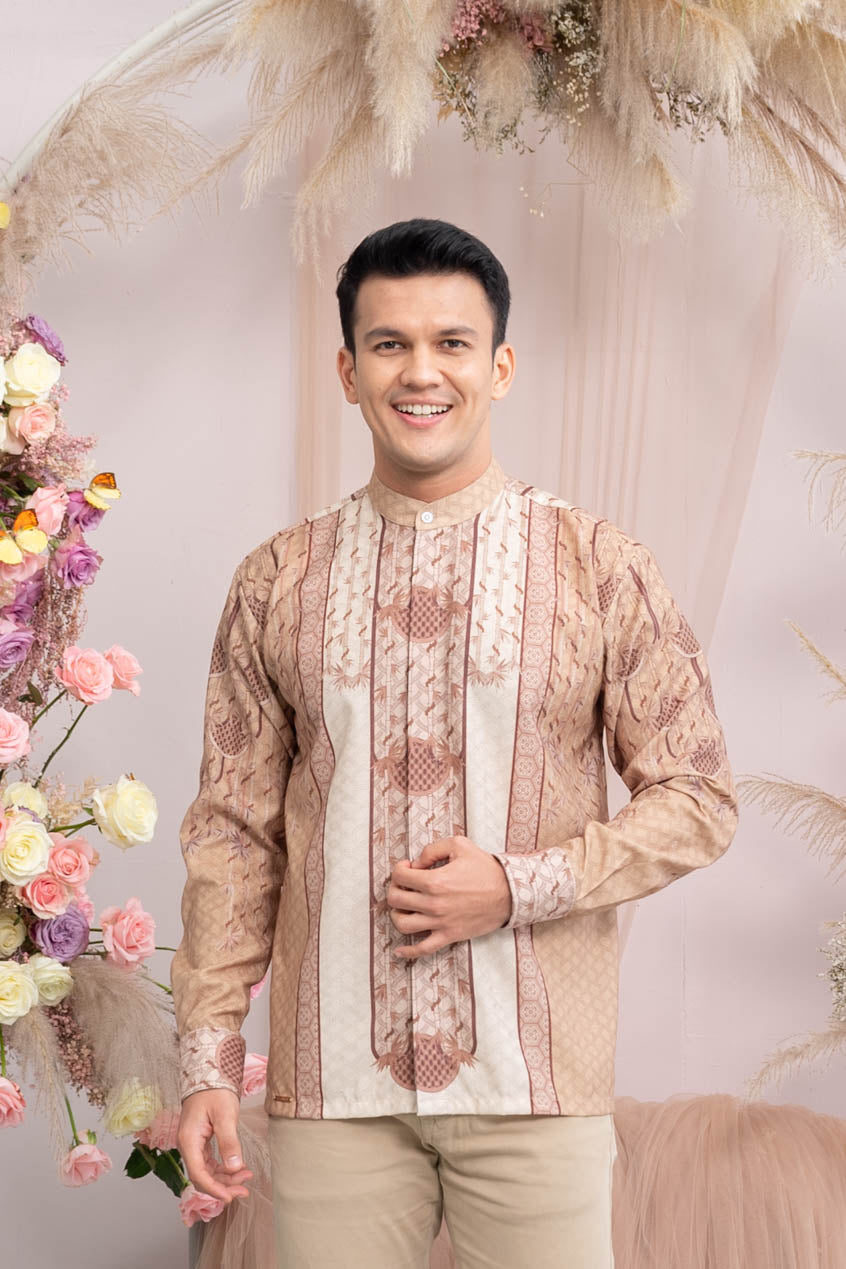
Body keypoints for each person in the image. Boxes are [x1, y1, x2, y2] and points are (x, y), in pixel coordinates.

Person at [171, 217, 738, 1268]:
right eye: (389, 344)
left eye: (452, 343)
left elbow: (699, 799)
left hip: (535, 1081)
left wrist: (520, 886)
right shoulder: (277, 580)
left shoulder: (597, 565)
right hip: (332, 1086)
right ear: (349, 372)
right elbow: (233, 837)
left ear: (500, 366)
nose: (421, 372)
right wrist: (208, 1059)